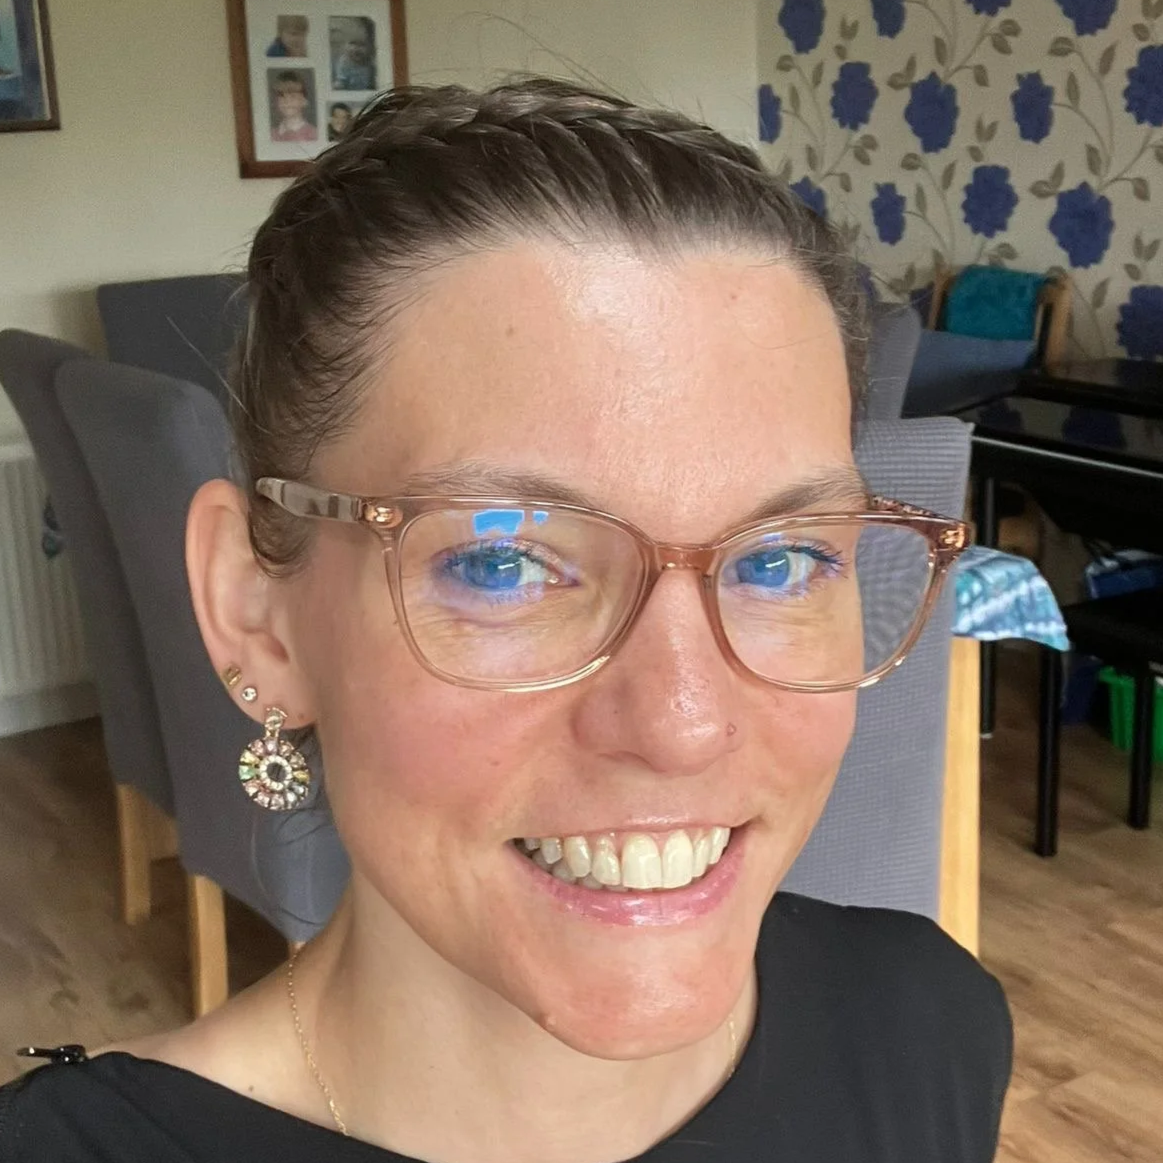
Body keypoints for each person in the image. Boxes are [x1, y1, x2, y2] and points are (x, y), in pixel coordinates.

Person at [0, 79, 1011, 1161]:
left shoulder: (932, 1030)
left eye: (780, 556)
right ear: (256, 612)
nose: (679, 723)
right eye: (501, 562)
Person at [269, 70, 316, 143]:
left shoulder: (314, 134)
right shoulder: (271, 135)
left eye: (293, 96)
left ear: (305, 101)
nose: (287, 101)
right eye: (282, 96)